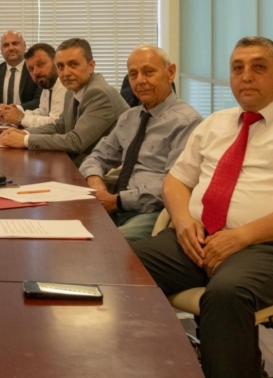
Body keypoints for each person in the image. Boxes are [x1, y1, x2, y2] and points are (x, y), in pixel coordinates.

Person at [132, 37, 273, 378]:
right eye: (237, 68)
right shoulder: (215, 124)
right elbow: (175, 181)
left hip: (272, 247)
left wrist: (241, 236)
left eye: (259, 67)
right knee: (122, 266)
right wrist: (183, 221)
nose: (246, 76)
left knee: (226, 295)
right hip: (198, 240)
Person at [79, 46, 202, 241]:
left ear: (170, 72)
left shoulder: (187, 122)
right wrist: (96, 183)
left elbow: (176, 184)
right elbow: (97, 157)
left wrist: (118, 201)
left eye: (149, 72)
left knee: (107, 245)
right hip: (113, 202)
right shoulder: (129, 117)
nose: (140, 81)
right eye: (133, 74)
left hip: (152, 211)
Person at [0, 37, 128, 166]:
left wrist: (26, 140)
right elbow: (60, 126)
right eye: (60, 66)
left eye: (73, 64)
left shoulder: (99, 93)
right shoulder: (72, 90)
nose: (66, 73)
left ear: (91, 66)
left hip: (107, 170)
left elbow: (76, 141)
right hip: (84, 162)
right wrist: (25, 133)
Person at [0, 43, 67, 128]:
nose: (35, 72)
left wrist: (21, 118)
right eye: (31, 69)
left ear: (56, 61)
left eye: (41, 64)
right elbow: (43, 112)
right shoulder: (47, 86)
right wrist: (16, 113)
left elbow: (55, 123)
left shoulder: (64, 84)